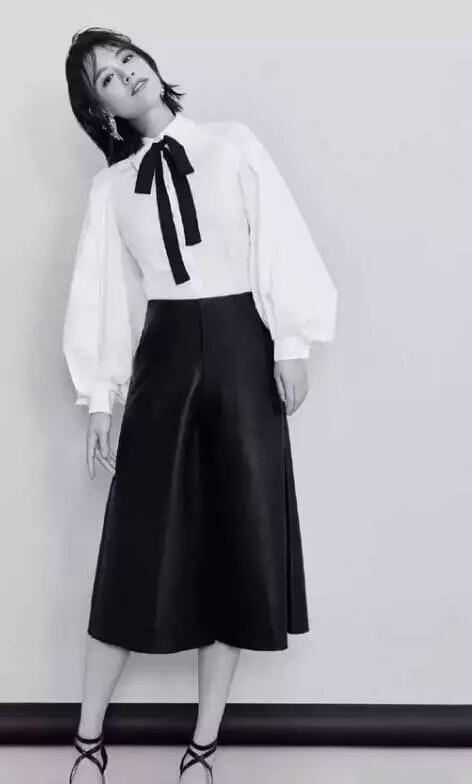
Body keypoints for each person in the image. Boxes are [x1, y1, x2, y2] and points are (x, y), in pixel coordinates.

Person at [62, 27, 338, 784]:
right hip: (166, 352)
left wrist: (291, 342)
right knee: (136, 544)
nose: (126, 75)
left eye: (127, 60)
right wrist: (100, 397)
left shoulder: (231, 143)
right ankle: (87, 741)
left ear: (150, 66)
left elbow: (277, 236)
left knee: (238, 541)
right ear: (102, 109)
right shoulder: (111, 189)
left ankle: (203, 748)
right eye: (106, 78)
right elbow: (106, 294)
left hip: (246, 345)